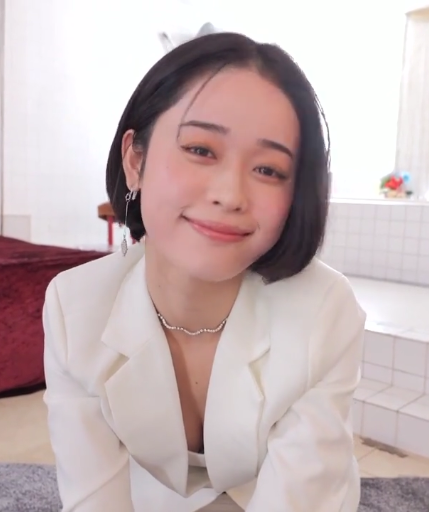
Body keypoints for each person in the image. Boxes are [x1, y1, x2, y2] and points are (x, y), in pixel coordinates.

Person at [42, 31, 366, 512]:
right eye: (200, 149)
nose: (230, 195)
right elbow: (92, 496)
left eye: (269, 170)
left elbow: (299, 495)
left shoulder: (325, 311)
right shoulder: (74, 308)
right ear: (135, 160)